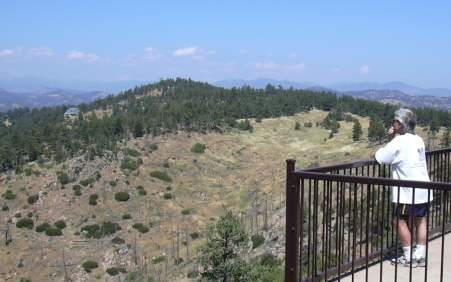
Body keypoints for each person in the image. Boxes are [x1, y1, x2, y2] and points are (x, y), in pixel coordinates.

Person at [375, 108, 432, 267]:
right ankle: (419, 256)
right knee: (421, 220)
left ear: (400, 124)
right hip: (424, 188)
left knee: (399, 221)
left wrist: (389, 137)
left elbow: (381, 157)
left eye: (395, 121)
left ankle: (408, 257)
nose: (393, 123)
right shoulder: (418, 139)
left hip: (408, 191)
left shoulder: (399, 141)